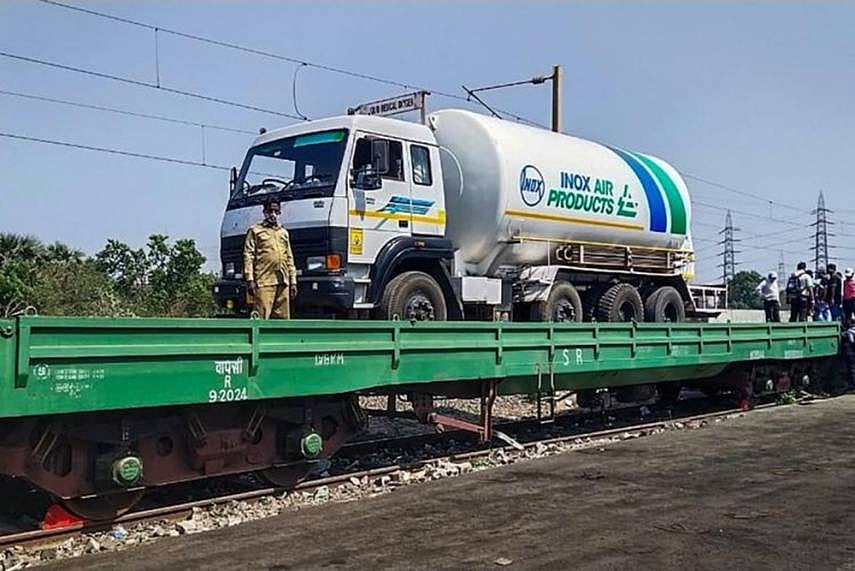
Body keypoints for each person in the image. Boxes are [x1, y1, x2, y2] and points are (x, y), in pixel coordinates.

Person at [243, 198, 297, 319]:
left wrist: (293, 281)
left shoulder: (283, 232)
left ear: (279, 212)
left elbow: (289, 258)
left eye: (276, 211)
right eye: (270, 210)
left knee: (282, 320)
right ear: (265, 212)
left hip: (283, 281)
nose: (273, 214)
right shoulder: (255, 230)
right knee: (261, 317)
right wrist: (250, 279)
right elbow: (248, 255)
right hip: (264, 281)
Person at [843, 322, 855, 392]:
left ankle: (853, 386)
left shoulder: (850, 332)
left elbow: (851, 342)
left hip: (851, 353)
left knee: (852, 370)